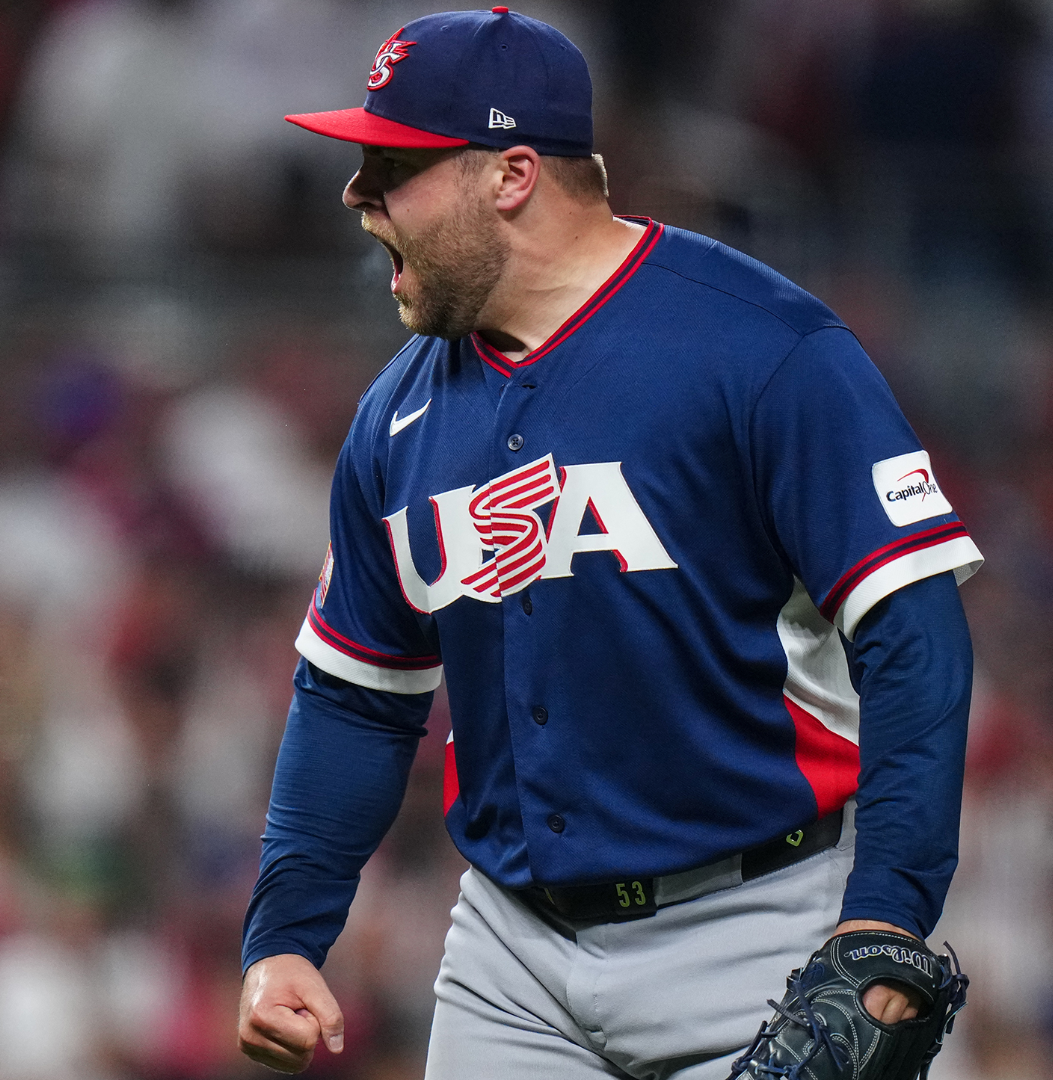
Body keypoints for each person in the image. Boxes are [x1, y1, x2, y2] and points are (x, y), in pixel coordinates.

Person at [235, 8, 981, 1079]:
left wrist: (886, 921)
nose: (358, 198)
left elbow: (914, 634)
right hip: (513, 961)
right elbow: (358, 692)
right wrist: (286, 936)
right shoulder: (394, 422)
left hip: (762, 924)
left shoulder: (765, 350)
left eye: (392, 164)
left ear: (512, 175)